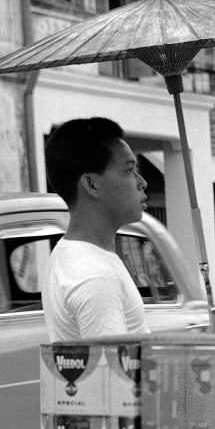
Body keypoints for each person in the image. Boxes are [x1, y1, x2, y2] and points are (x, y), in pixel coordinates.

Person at [42, 116, 149, 341]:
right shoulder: (96, 276)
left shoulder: (71, 254)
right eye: (129, 170)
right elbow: (111, 372)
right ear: (91, 184)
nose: (141, 182)